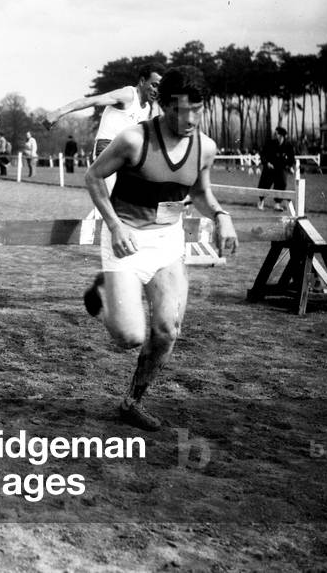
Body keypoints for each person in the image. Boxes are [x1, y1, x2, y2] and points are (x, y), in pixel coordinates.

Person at [82, 66, 238, 431]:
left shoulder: (206, 147)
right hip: (127, 239)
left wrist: (220, 214)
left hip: (167, 242)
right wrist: (115, 225)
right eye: (179, 112)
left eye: (196, 111)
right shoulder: (134, 140)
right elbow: (93, 177)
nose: (189, 120)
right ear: (162, 106)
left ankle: (132, 401)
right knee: (129, 337)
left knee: (167, 329)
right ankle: (103, 293)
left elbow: (199, 192)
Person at [45, 63, 165, 161]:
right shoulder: (127, 95)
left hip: (125, 151)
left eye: (160, 87)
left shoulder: (147, 108)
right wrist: (59, 112)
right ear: (143, 81)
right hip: (106, 148)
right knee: (108, 190)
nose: (156, 91)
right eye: (154, 85)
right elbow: (92, 101)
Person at [257, 126, 296, 211]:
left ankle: (277, 204)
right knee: (264, 184)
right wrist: (267, 163)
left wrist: (290, 167)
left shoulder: (288, 146)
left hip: (281, 169)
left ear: (281, 135)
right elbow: (263, 154)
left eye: (277, 133)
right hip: (270, 168)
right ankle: (261, 201)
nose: (275, 135)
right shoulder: (270, 143)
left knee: (282, 183)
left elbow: (292, 159)